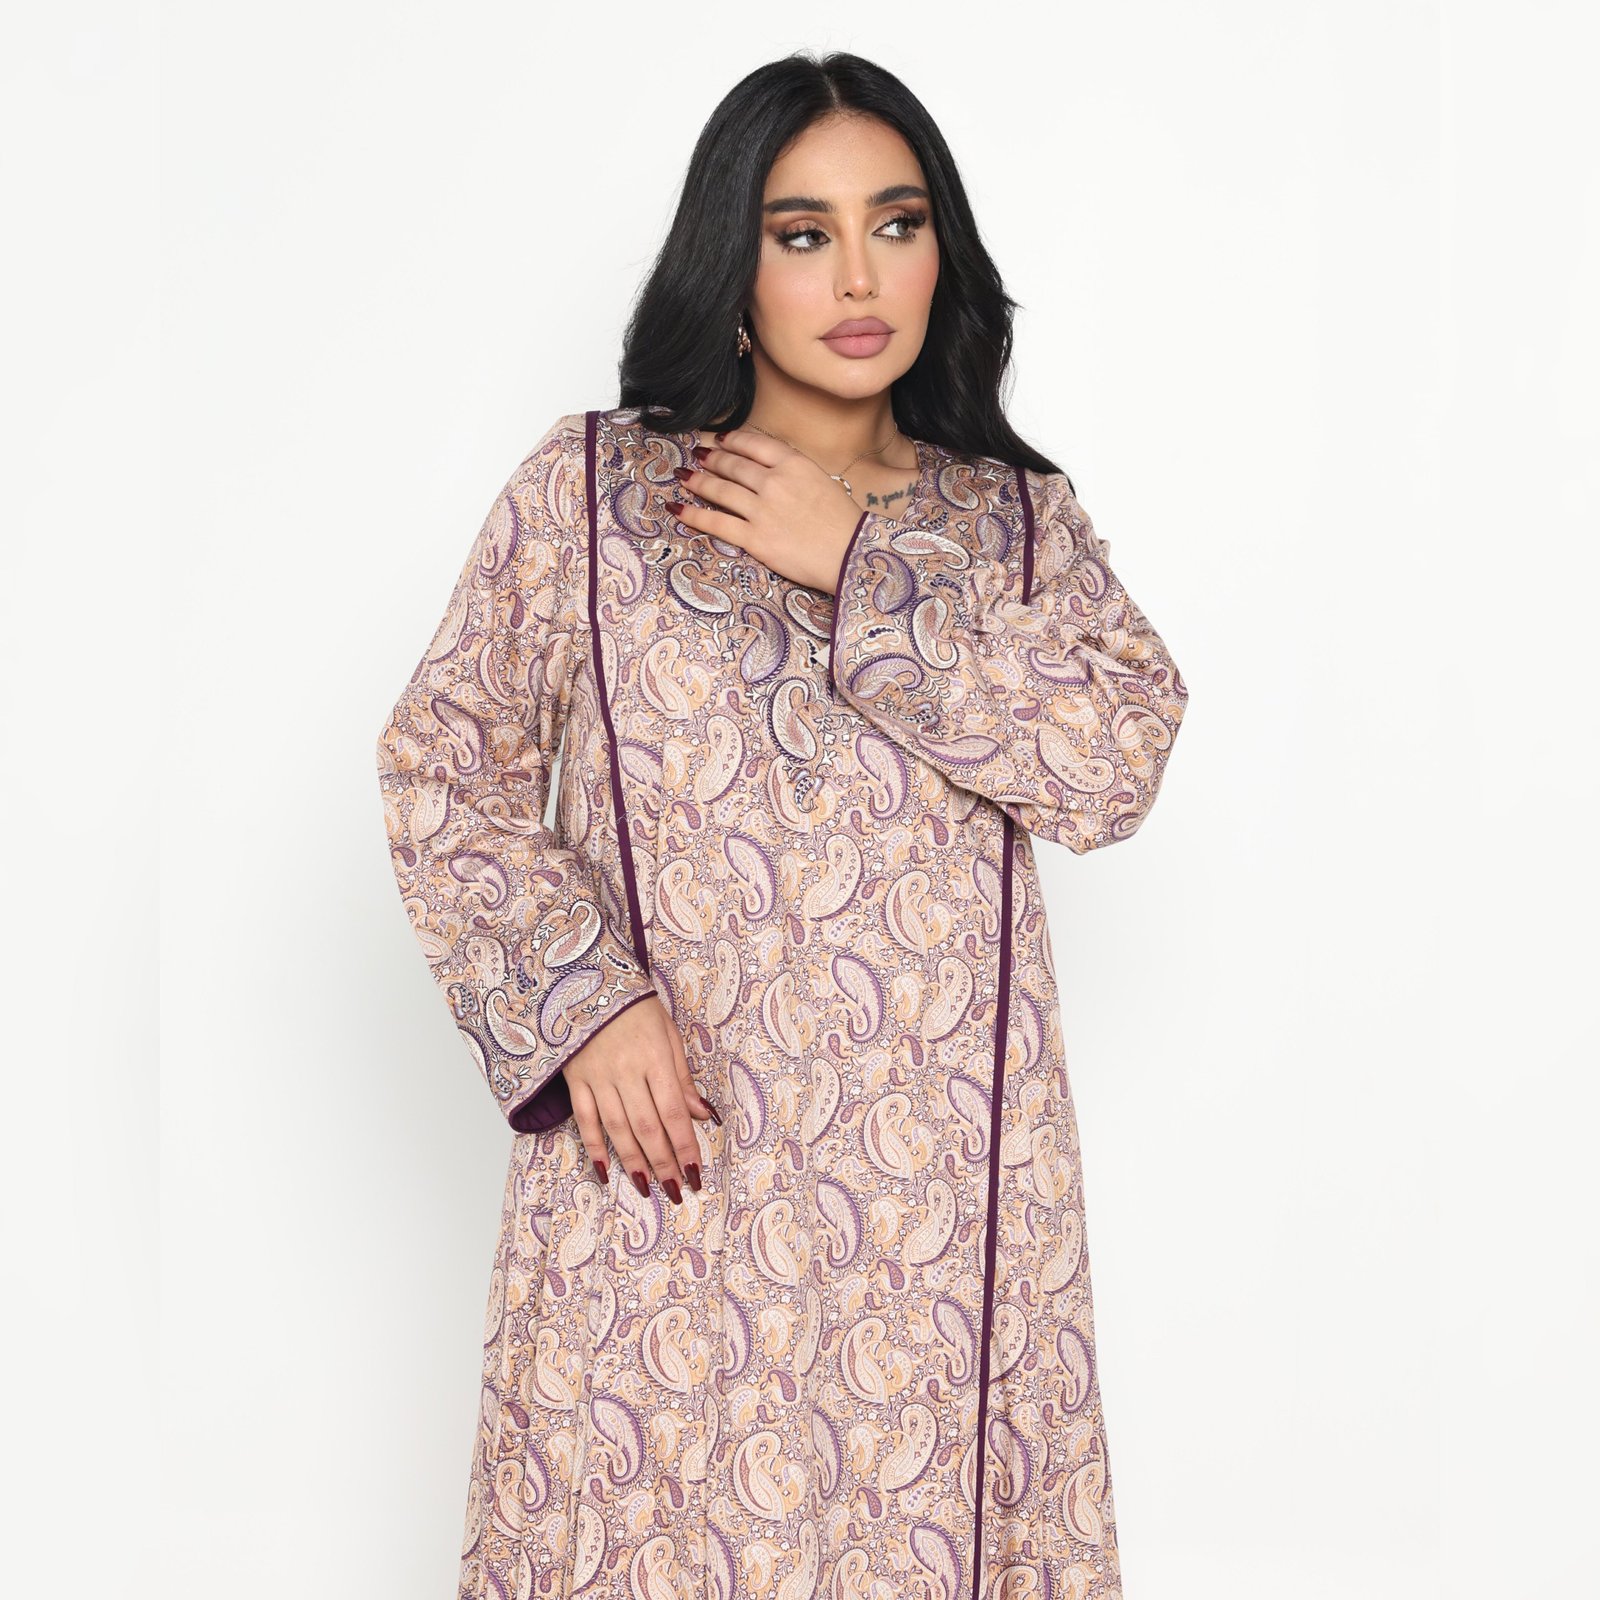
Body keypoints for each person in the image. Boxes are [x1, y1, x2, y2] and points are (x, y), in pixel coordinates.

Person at [374, 49, 1189, 1600]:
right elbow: (444, 764)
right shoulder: (596, 495)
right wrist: (582, 1002)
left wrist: (863, 563)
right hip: (667, 1176)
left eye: (897, 223)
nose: (859, 276)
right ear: (731, 264)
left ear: (942, 251)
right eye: (802, 232)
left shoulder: (1014, 527)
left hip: (935, 1232)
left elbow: (1115, 759)